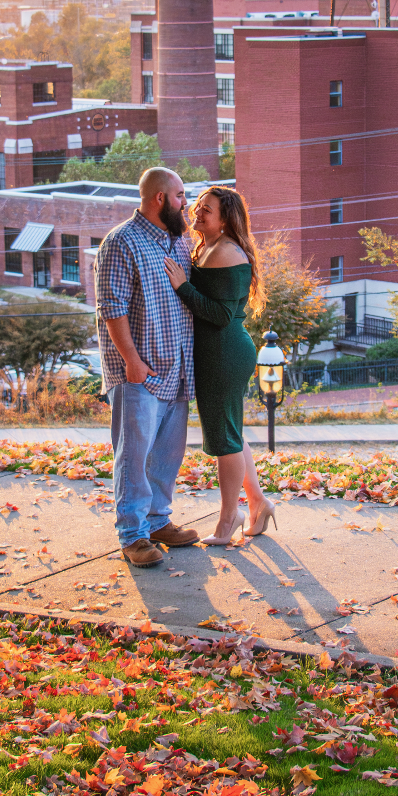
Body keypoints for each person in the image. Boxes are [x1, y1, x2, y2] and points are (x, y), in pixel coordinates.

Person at [94, 166, 202, 568]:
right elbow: (112, 308)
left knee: (166, 455)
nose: (185, 204)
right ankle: (133, 535)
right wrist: (131, 361)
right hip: (139, 373)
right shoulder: (121, 242)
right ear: (159, 198)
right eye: (180, 196)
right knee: (133, 457)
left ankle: (158, 522)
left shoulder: (179, 241)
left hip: (176, 370)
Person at [164, 185, 276, 545]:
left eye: (206, 210)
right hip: (218, 353)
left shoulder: (227, 252)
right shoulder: (209, 246)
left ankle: (229, 519)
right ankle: (258, 503)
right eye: (197, 207)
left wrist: (183, 287)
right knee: (231, 434)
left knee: (223, 440)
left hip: (224, 354)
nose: (197, 213)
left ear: (225, 219)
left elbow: (222, 314)